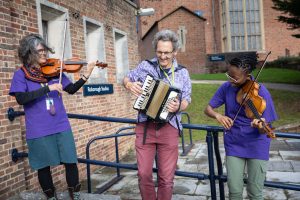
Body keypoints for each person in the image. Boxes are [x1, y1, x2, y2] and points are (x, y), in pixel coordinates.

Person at [9, 34, 97, 200]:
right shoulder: (21, 74)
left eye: (45, 50)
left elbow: (70, 89)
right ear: (29, 53)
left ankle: (75, 195)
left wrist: (87, 74)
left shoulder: (54, 71)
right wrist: (48, 89)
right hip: (38, 128)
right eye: (40, 51)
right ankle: (51, 197)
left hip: (60, 124)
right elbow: (21, 98)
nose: (44, 54)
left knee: (70, 161)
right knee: (43, 166)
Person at [123, 29, 192, 200]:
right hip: (145, 127)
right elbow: (126, 78)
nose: (163, 56)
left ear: (175, 52)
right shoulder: (145, 66)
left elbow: (187, 99)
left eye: (167, 53)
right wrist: (129, 85)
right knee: (144, 175)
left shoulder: (182, 73)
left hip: (169, 128)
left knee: (166, 178)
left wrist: (178, 106)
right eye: (160, 52)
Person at [204, 54, 278, 200]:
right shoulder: (226, 88)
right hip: (234, 144)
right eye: (229, 75)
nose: (230, 80)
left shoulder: (261, 92)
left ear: (247, 75)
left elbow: (266, 128)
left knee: (255, 192)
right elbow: (208, 109)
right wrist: (219, 116)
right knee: (234, 191)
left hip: (257, 145)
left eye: (235, 78)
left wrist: (260, 126)